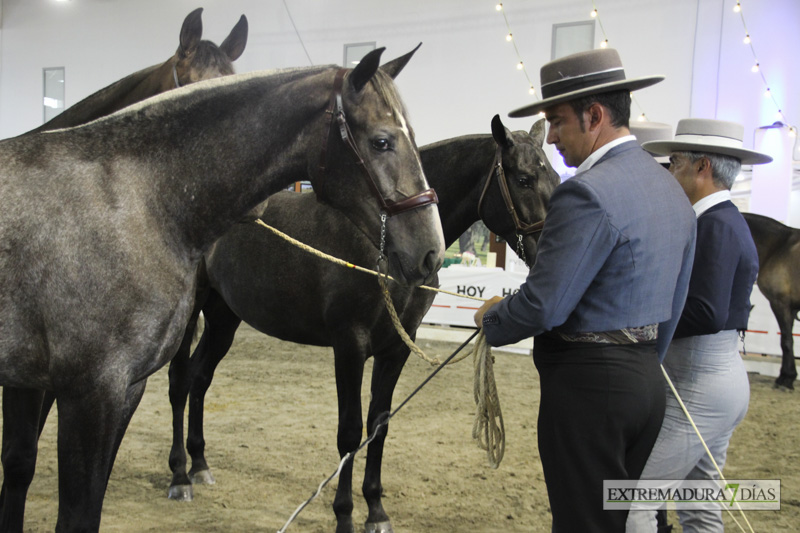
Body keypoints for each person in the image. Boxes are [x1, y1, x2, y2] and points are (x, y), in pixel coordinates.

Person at [472, 48, 697, 532]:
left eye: (556, 121)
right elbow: (675, 301)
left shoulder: (585, 192)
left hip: (590, 392)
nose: (550, 137)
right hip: (644, 384)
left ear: (594, 115)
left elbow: (544, 304)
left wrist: (492, 320)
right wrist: (642, 362)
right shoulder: (670, 190)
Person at [626, 119, 771, 533]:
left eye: (675, 164)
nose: (670, 174)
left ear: (701, 166)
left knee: (633, 499)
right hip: (714, 378)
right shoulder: (720, 222)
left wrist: (639, 317)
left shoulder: (716, 225)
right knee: (699, 504)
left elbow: (706, 312)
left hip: (699, 384)